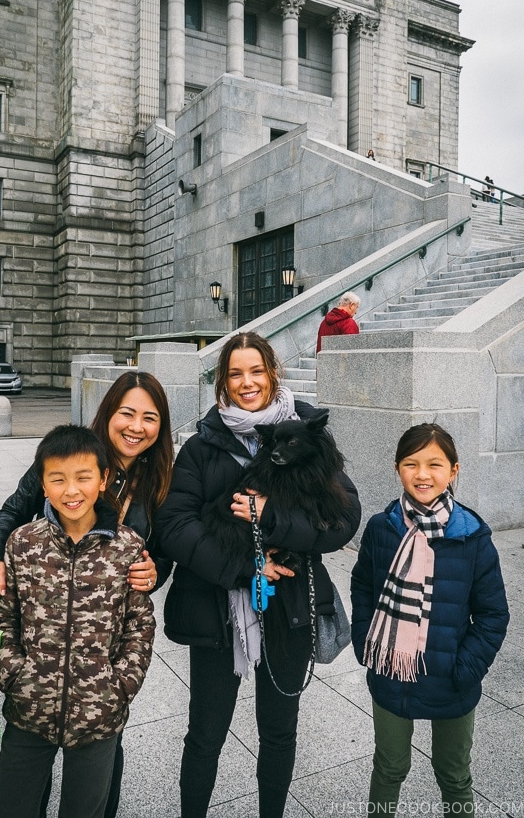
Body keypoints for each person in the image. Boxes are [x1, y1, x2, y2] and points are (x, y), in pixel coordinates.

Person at [154, 331, 361, 818]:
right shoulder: (202, 446)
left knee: (279, 728)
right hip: (216, 606)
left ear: (272, 372)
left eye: (256, 371)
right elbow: (174, 526)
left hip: (288, 604)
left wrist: (270, 515)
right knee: (206, 733)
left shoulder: (308, 432)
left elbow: (342, 520)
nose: (247, 383)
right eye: (235, 374)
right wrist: (247, 569)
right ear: (223, 383)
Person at [0, 370, 174, 818]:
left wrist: (120, 685)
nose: (136, 426)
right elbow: (13, 509)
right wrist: (14, 672)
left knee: (95, 785)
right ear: (108, 414)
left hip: (99, 670)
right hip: (39, 668)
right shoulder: (72, 452)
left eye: (149, 417)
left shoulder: (160, 474)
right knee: (21, 790)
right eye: (127, 413)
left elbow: (159, 556)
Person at [350, 423, 509, 814]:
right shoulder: (380, 528)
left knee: (454, 775)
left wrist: (465, 668)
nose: (423, 474)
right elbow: (363, 587)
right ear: (397, 468)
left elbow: (493, 614)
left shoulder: (473, 537)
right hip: (391, 672)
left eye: (435, 464)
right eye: (411, 464)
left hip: (452, 679)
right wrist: (366, 643)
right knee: (388, 767)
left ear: (454, 471)